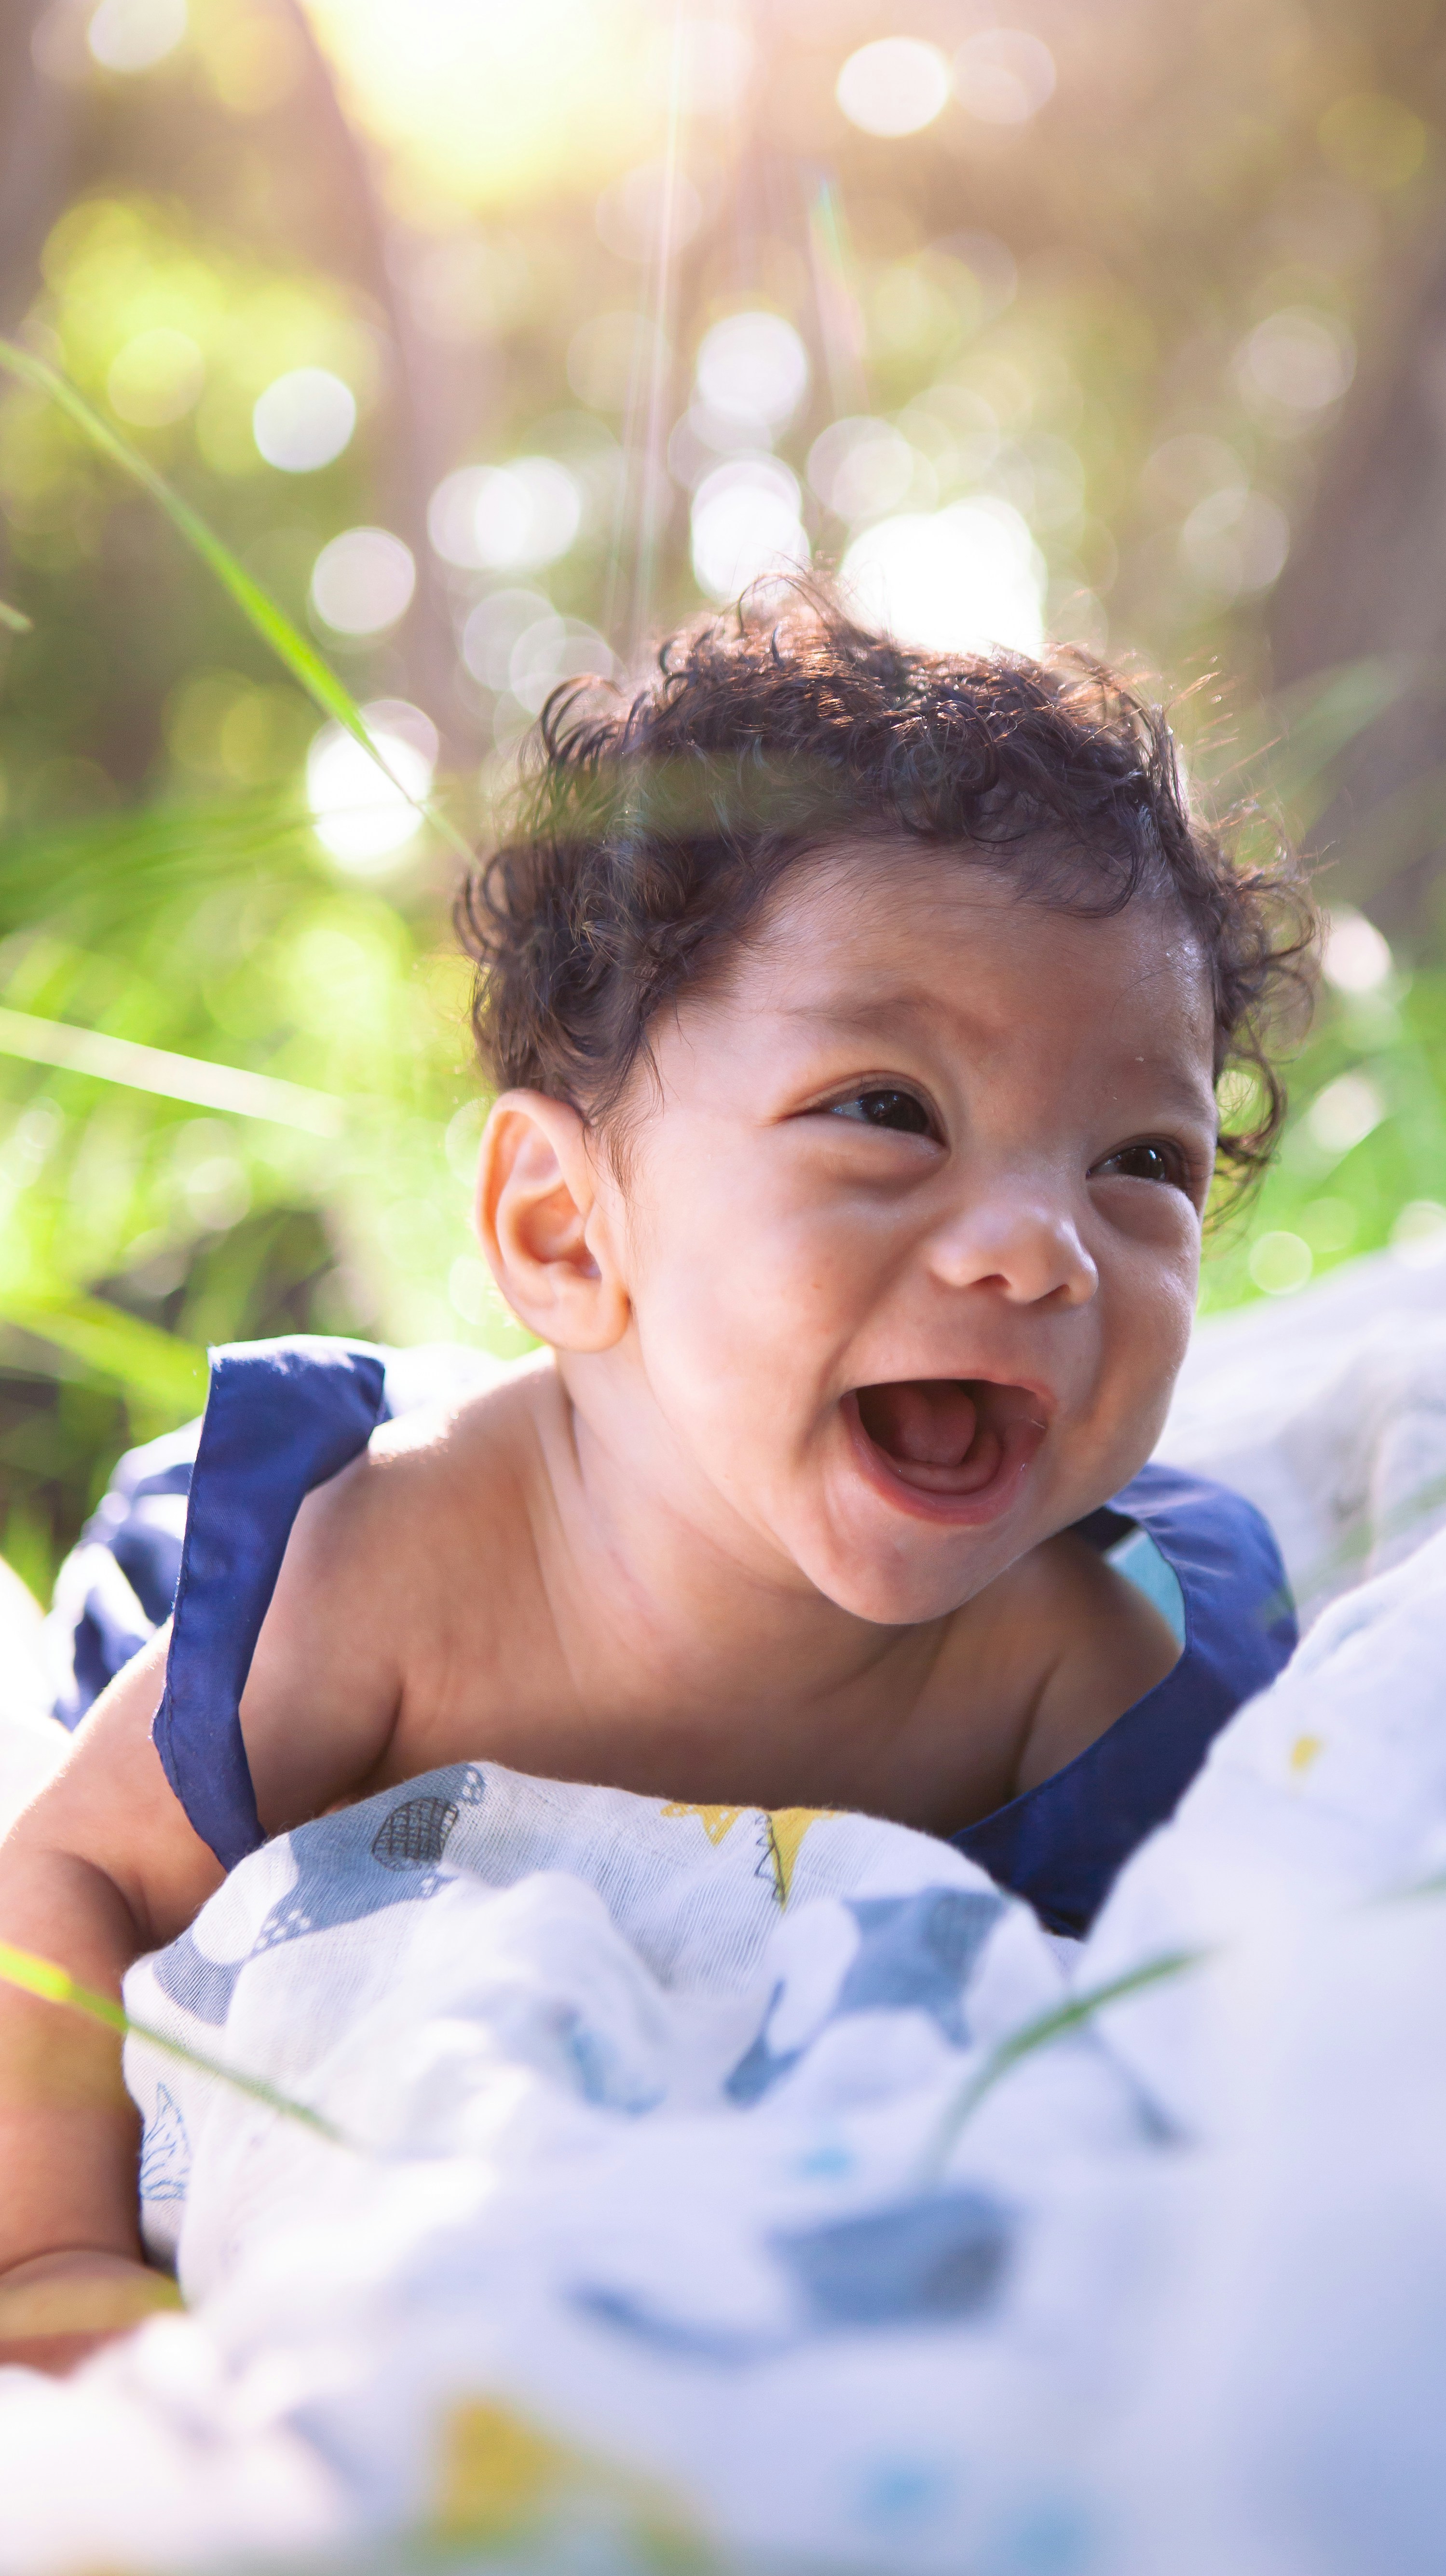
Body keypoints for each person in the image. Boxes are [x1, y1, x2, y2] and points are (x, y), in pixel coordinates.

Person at [0, 589, 1312, 2371]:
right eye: (891, 1111)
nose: (1041, 1249)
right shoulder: (379, 1581)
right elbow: (68, 1871)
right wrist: (49, 2257)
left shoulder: (1092, 1674)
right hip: (245, 1571)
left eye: (1141, 1159)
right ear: (566, 1228)